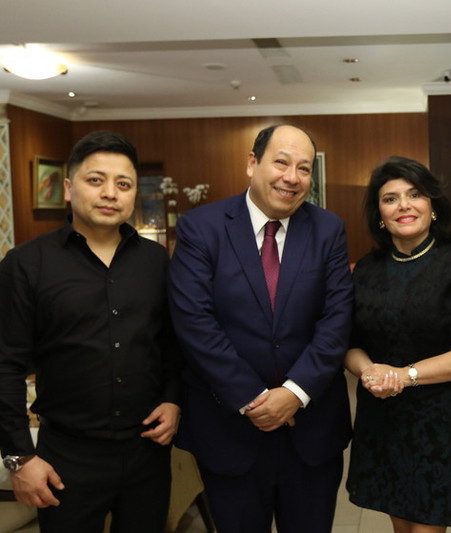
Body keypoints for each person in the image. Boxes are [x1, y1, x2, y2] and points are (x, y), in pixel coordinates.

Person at [168, 124, 354, 533]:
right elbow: (194, 322)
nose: (292, 177)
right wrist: (253, 399)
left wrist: (294, 393)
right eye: (281, 162)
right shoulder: (201, 227)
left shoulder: (328, 229)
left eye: (304, 168)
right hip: (228, 430)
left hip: (311, 430)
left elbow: (337, 318)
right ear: (252, 163)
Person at [0, 131, 181, 533]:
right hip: (66, 455)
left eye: (123, 184)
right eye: (96, 180)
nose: (110, 193)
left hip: (146, 451)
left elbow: (170, 343)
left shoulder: (156, 261)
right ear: (68, 188)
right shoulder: (26, 264)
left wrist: (172, 400)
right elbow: (5, 365)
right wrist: (19, 457)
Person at [344, 156, 451, 533]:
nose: (404, 205)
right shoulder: (366, 270)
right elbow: (348, 341)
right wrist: (370, 372)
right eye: (390, 198)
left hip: (444, 422)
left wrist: (405, 375)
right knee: (400, 525)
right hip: (384, 419)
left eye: (415, 195)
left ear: (433, 205)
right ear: (380, 214)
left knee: (428, 526)